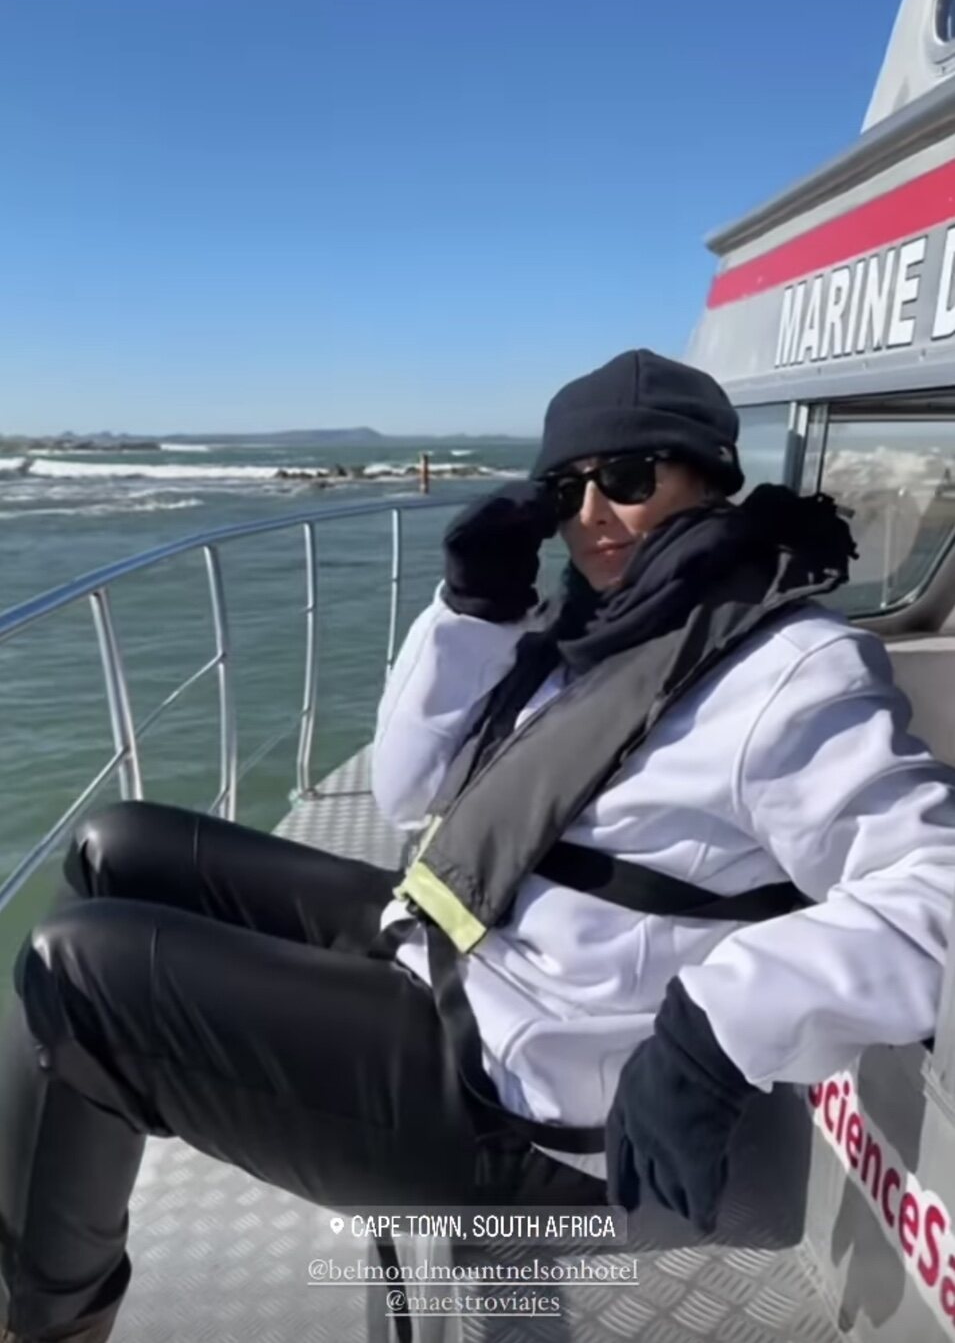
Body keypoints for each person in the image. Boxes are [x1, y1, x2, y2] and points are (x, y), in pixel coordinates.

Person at [2, 349, 954, 1343]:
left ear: (709, 477)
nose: (590, 513)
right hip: (457, 949)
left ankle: (48, 1326)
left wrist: (720, 1024)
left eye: (626, 478)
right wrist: (473, 608)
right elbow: (415, 788)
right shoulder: (596, 632)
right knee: (119, 847)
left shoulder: (789, 670)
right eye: (564, 488)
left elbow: (934, 880)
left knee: (75, 977)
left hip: (531, 1088)